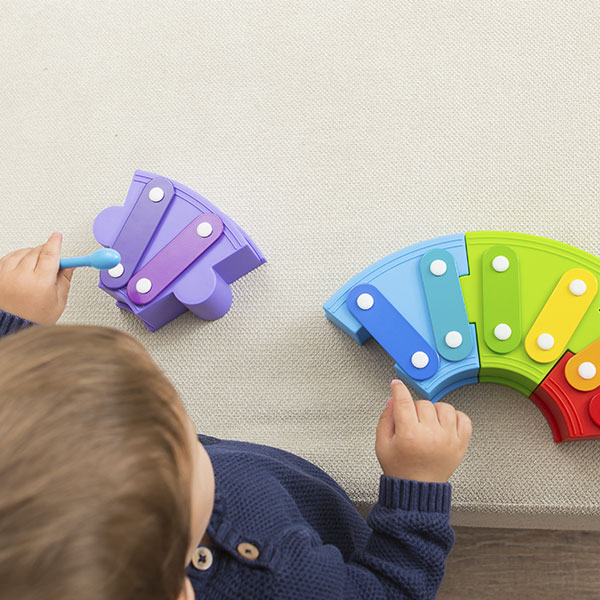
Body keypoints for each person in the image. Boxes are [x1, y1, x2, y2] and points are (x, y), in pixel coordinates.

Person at [0, 233, 472, 599]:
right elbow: (392, 589)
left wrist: (17, 328)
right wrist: (417, 486)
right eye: (184, 437)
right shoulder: (284, 582)